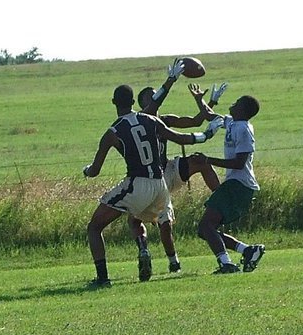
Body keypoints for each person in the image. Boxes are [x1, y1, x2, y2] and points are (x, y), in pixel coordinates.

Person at [83, 78, 223, 287]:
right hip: (160, 185)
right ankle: (156, 254)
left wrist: (86, 170)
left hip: (137, 183)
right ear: (133, 102)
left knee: (94, 227)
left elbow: (95, 171)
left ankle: (103, 278)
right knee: (139, 219)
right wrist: (208, 134)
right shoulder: (151, 120)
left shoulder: (112, 132)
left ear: (114, 102)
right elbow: (181, 138)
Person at [135, 81, 229, 273]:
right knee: (158, 223)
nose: (156, 98)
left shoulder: (164, 119)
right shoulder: (138, 122)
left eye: (156, 94)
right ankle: (167, 259)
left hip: (167, 171)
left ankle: (221, 200)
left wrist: (209, 101)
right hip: (148, 178)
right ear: (142, 103)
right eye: (151, 96)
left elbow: (196, 121)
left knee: (201, 162)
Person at [190, 95, 266, 274]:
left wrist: (207, 160)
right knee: (204, 230)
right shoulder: (233, 122)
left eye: (237, 103)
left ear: (243, 110)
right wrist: (199, 99)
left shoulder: (244, 130)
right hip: (234, 185)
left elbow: (239, 163)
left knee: (206, 226)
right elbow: (210, 116)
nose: (233, 103)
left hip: (239, 186)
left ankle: (226, 264)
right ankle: (248, 251)